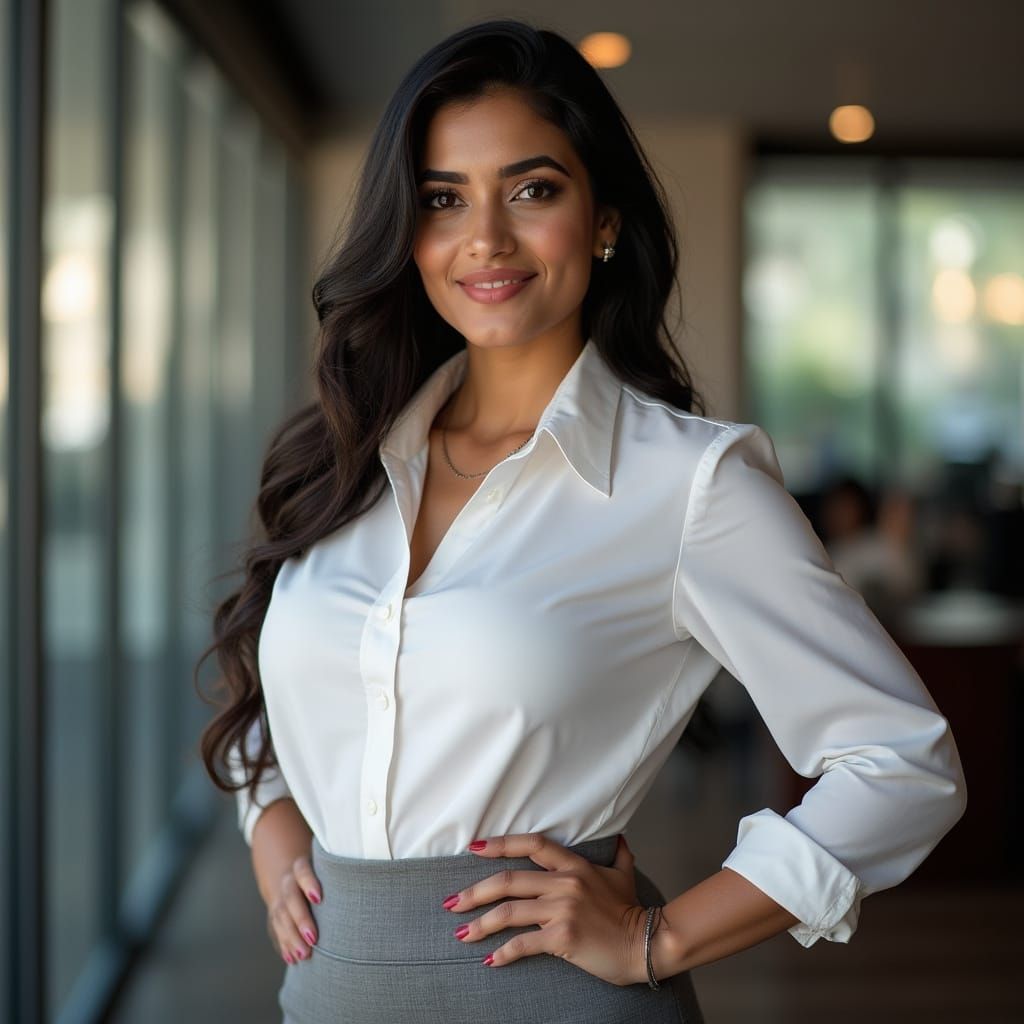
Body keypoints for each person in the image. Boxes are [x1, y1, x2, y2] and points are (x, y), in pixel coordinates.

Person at [196, 19, 967, 1023]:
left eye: (532, 190)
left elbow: (902, 761)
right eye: (442, 199)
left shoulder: (688, 483)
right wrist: (271, 823)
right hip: (327, 989)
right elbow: (276, 673)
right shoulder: (340, 457)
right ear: (408, 230)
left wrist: (662, 935)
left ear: (602, 218)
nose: (486, 239)